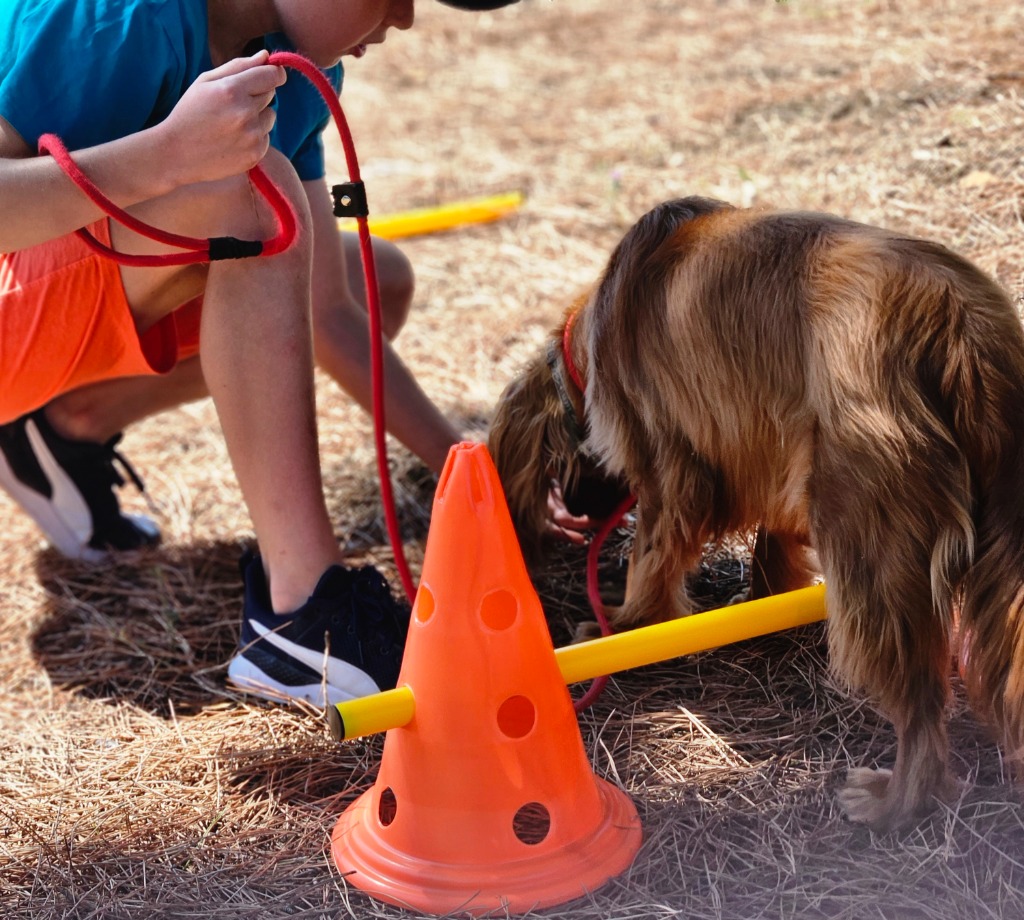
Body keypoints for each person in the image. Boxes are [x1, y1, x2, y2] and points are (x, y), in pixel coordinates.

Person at [0, 0, 520, 707]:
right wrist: (162, 157)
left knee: (375, 283)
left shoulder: (296, 68)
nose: (404, 19)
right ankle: (303, 616)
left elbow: (330, 315)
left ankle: (66, 425)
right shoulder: (111, 17)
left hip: (45, 307)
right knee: (256, 196)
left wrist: (481, 476)